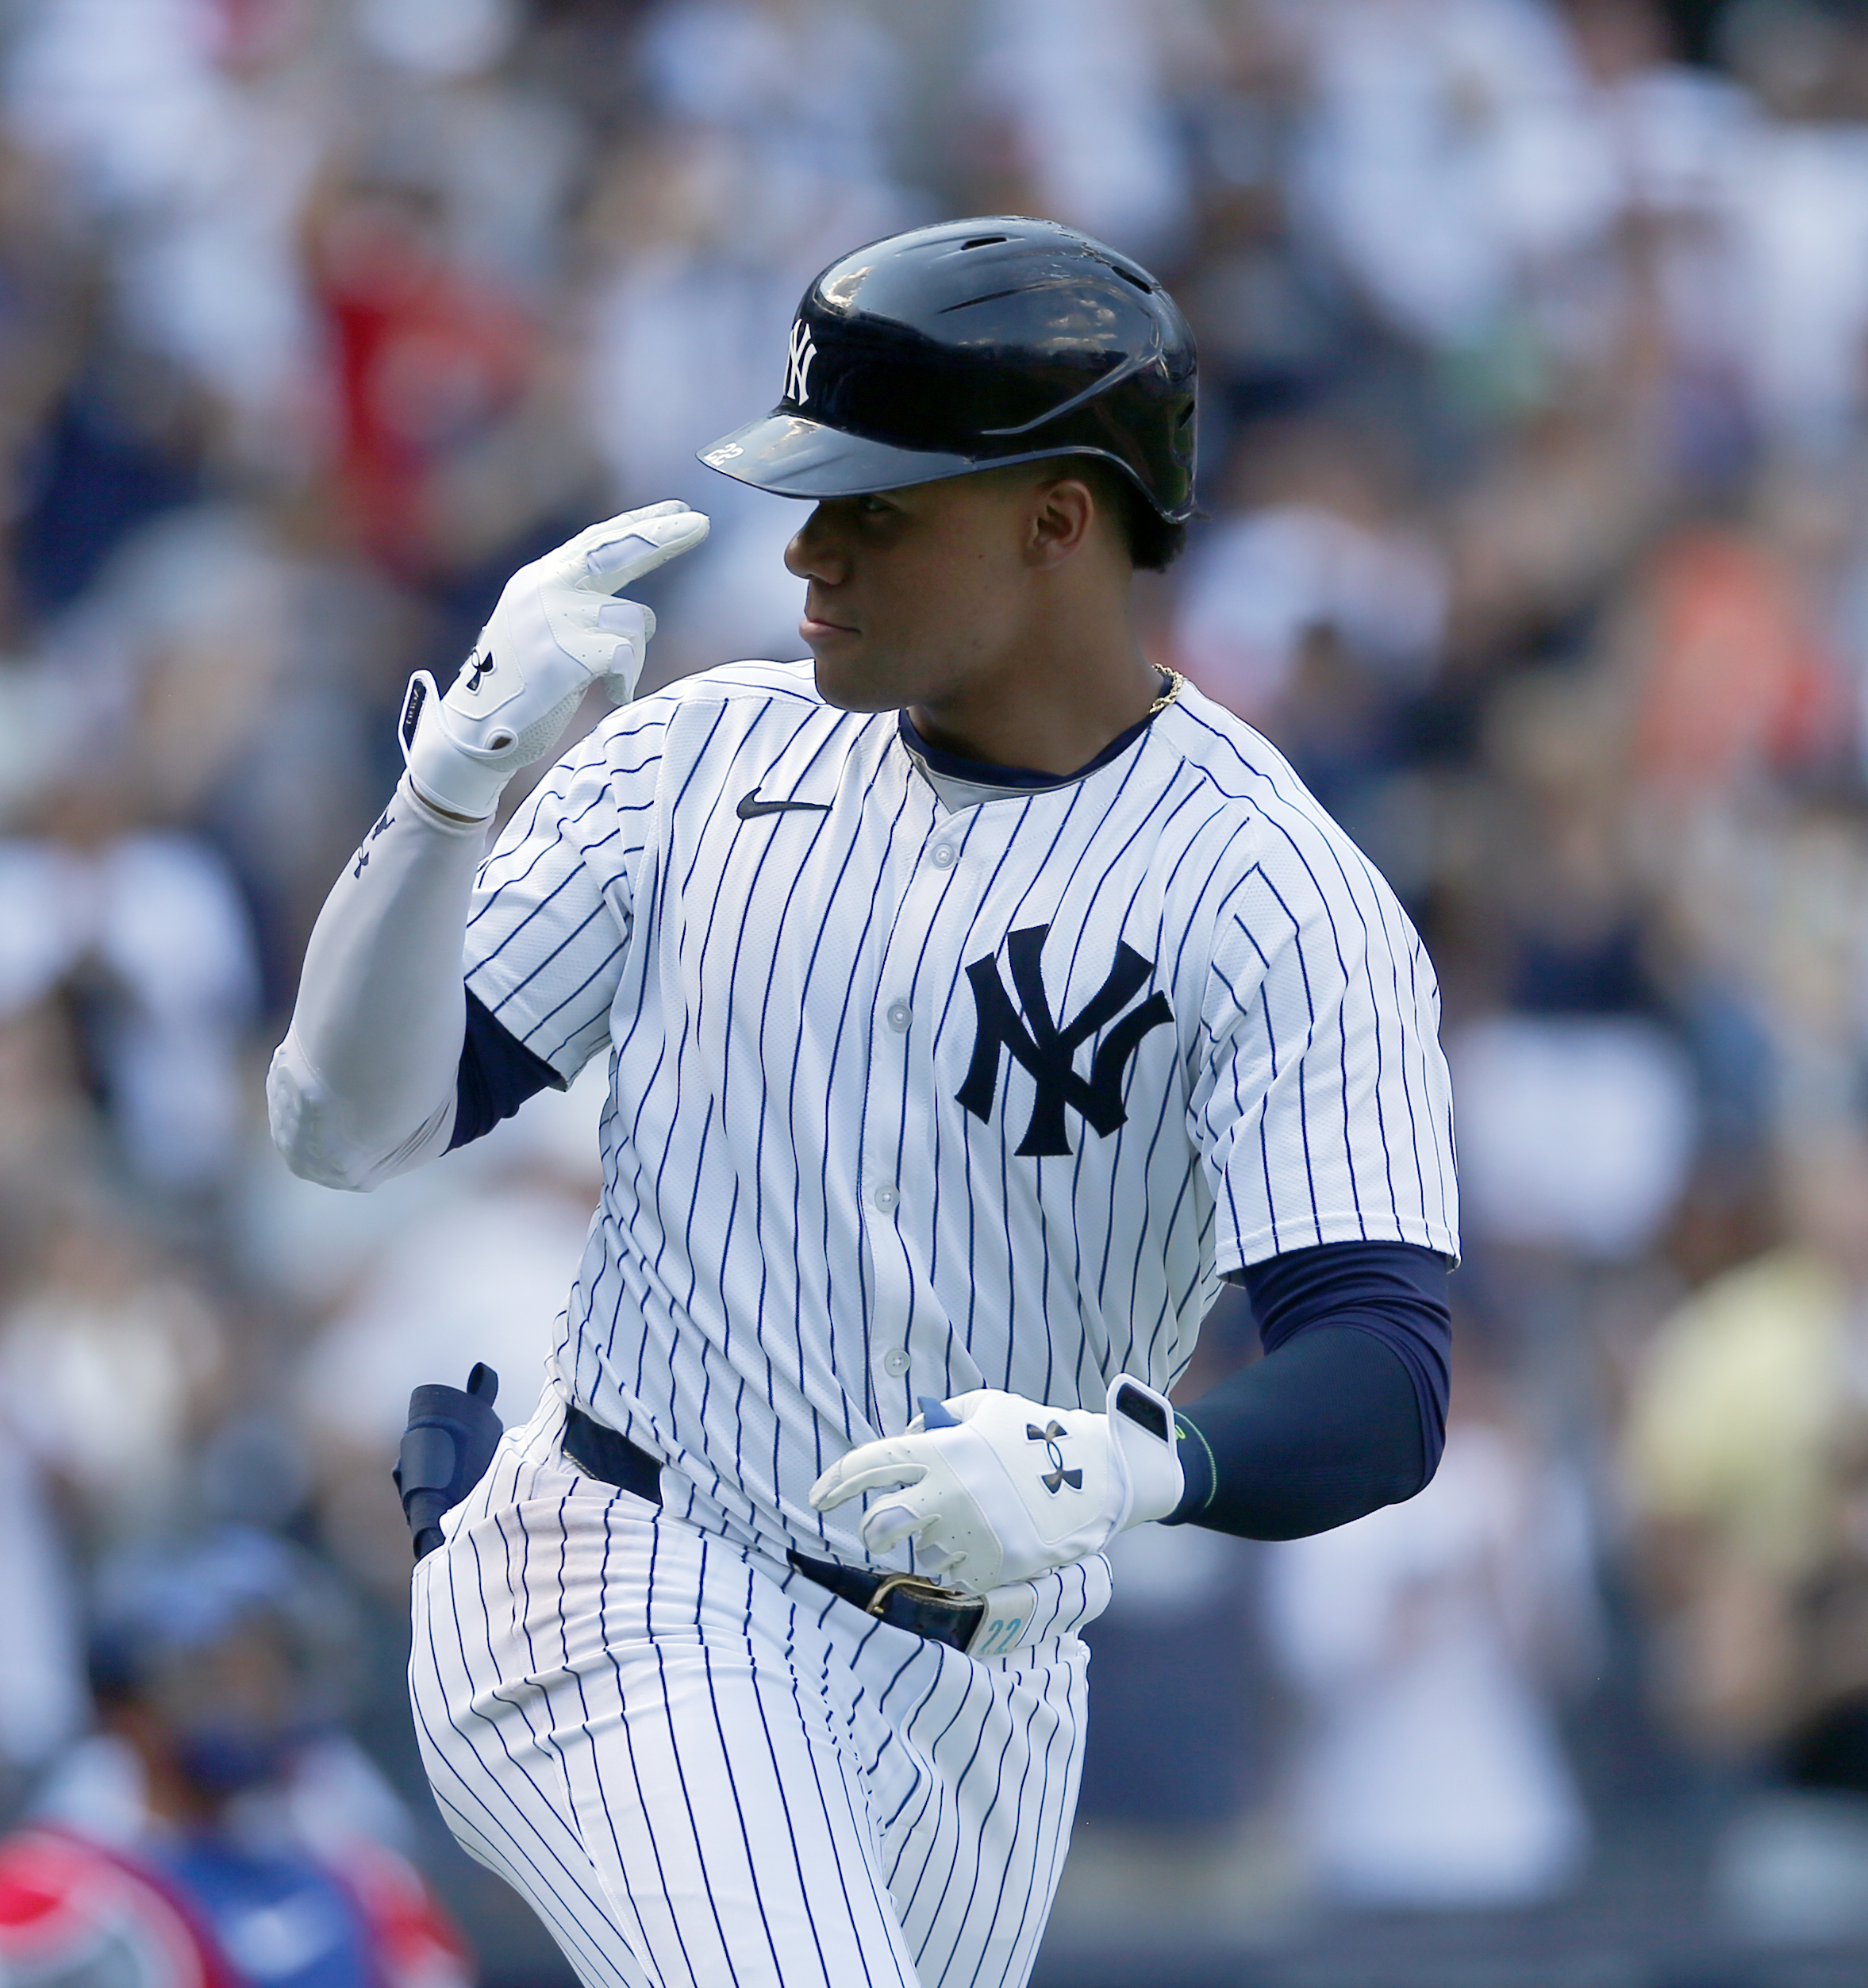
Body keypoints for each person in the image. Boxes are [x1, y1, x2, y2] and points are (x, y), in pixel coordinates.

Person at [267, 215, 1458, 1988]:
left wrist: (1147, 1462)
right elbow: (344, 1125)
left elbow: (1383, 1372)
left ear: (1060, 520)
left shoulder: (1271, 892)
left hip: (990, 1690)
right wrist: (448, 795)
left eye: (873, 506)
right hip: (630, 1562)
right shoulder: (695, 755)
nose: (806, 550)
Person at [0, 1528, 472, 1988]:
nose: (255, 1701)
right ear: (127, 1709)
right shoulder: (45, 1895)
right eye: (217, 1678)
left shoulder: (371, 1886)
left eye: (269, 1672)